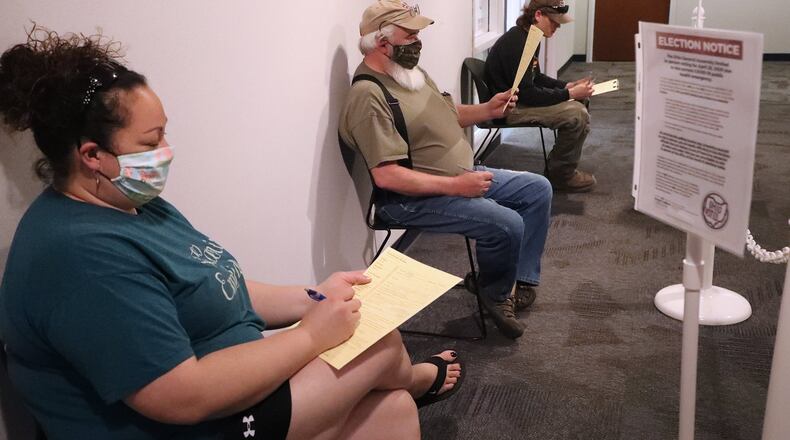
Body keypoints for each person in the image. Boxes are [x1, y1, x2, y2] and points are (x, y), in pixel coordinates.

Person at [0, 27, 463, 440]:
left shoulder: (132, 202)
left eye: (164, 135)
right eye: (149, 142)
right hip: (196, 418)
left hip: (236, 383)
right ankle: (417, 377)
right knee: (378, 346)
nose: (166, 153)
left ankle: (407, 384)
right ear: (92, 156)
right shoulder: (78, 256)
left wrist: (314, 298)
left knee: (393, 410)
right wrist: (309, 338)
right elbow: (180, 398)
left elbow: (220, 284)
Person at [339, 1, 553, 339]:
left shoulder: (408, 73)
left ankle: (518, 280)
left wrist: (486, 109)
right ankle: (495, 294)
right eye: (411, 35)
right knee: (507, 222)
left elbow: (446, 113)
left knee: (537, 189)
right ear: (382, 42)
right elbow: (387, 176)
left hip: (462, 175)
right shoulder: (369, 95)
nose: (418, 41)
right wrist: (456, 186)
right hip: (411, 197)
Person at [484, 0, 597, 192]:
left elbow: (535, 77)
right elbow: (527, 93)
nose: (557, 26)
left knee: (579, 102)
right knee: (577, 114)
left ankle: (559, 166)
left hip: (518, 100)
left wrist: (566, 86)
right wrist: (568, 93)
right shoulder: (519, 43)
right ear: (538, 15)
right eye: (553, 21)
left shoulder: (528, 36)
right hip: (510, 108)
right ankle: (561, 175)